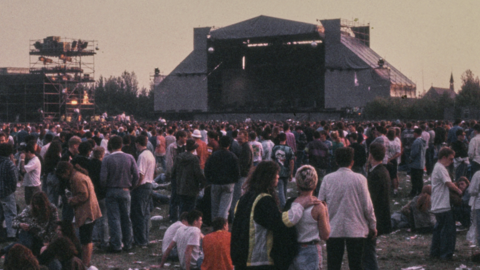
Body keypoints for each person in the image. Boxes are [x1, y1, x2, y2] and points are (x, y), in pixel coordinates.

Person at [230, 161, 319, 270]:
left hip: (241, 258)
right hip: (258, 260)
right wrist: (300, 205)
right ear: (268, 177)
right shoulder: (263, 200)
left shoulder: (244, 198)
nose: (278, 176)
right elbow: (283, 222)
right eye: (276, 174)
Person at [318, 147, 376, 270]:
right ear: (352, 162)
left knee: (333, 264)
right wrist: (372, 224)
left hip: (333, 228)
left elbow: (321, 204)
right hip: (356, 228)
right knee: (356, 265)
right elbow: (367, 206)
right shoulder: (360, 179)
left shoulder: (328, 179)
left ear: (336, 162)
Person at [56, 161, 101, 267]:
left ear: (66, 171)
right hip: (89, 209)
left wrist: (72, 200)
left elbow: (84, 194)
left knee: (86, 240)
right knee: (86, 238)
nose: (63, 178)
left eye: (62, 175)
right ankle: (86, 262)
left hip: (86, 211)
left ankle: (85, 263)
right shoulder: (79, 175)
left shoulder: (76, 178)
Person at [100, 135, 139, 252]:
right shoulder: (130, 157)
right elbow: (136, 175)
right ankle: (128, 243)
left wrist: (105, 187)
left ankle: (116, 244)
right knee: (126, 218)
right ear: (121, 145)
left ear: (110, 145)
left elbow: (103, 179)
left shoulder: (107, 159)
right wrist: (131, 186)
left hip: (111, 190)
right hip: (125, 190)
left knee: (114, 219)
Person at [288, 165, 330, 270]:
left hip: (293, 248)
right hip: (311, 249)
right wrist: (326, 213)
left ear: (297, 184)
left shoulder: (293, 204)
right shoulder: (318, 206)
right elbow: (325, 235)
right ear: (315, 185)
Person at [430, 147, 463, 260]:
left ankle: (435, 252)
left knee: (439, 229)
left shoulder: (437, 167)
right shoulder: (441, 168)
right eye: (450, 158)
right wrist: (458, 190)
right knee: (448, 231)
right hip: (442, 204)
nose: (452, 161)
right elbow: (448, 184)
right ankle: (446, 254)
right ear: (444, 157)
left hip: (438, 204)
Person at [363, 143, 392, 270]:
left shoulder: (375, 174)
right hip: (381, 214)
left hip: (376, 216)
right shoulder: (383, 170)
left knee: (368, 252)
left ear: (371, 155)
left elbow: (371, 199)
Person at [4, 192, 58, 256]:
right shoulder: (29, 209)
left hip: (41, 235)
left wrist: (47, 239)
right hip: (27, 232)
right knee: (26, 244)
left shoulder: (52, 209)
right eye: (35, 204)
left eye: (39, 205)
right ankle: (4, 250)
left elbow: (54, 226)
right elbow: (14, 221)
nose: (37, 207)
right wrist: (20, 224)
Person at [205, 136, 240, 220]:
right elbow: (237, 172)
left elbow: (207, 169)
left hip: (216, 183)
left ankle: (215, 227)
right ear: (229, 145)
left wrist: (210, 180)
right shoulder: (232, 156)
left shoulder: (214, 155)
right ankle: (222, 228)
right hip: (228, 184)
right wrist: (234, 181)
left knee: (215, 208)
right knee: (224, 209)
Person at [132, 135, 155, 247]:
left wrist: (134, 187)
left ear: (137, 143)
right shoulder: (150, 154)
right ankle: (145, 238)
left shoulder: (142, 156)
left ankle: (140, 240)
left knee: (139, 215)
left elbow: (140, 175)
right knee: (145, 214)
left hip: (142, 187)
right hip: (149, 184)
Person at [172, 139, 205, 214]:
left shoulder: (179, 157)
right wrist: (203, 183)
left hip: (180, 185)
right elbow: (198, 173)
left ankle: (182, 222)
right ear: (194, 148)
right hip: (192, 187)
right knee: (191, 207)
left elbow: (173, 171)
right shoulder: (194, 159)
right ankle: (189, 223)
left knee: (182, 207)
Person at [229, 130, 253, 220]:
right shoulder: (246, 146)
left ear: (246, 138)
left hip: (242, 176)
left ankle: (234, 217)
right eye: (238, 139)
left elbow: (244, 163)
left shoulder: (245, 147)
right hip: (244, 175)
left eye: (241, 139)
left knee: (236, 198)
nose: (239, 140)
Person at [271, 133, 294, 209]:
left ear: (279, 139)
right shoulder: (289, 149)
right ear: (286, 139)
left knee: (281, 189)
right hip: (286, 171)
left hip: (278, 171)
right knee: (284, 189)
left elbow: (273, 160)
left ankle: (283, 204)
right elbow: (291, 161)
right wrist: (291, 172)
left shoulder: (275, 148)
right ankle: (284, 205)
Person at [0, 143, 18, 241]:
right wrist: (11, 189)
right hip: (7, 192)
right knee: (11, 214)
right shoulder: (9, 164)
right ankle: (11, 234)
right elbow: (14, 179)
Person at [305, 131, 330, 195]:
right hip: (322, 165)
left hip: (312, 165)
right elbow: (328, 156)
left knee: (312, 181)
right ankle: (320, 195)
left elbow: (305, 152)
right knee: (321, 181)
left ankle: (312, 194)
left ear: (313, 137)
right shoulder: (325, 145)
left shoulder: (310, 144)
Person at [409, 128, 426, 197]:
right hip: (421, 163)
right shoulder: (422, 141)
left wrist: (410, 159)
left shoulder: (416, 141)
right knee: (419, 179)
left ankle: (414, 192)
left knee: (414, 179)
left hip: (415, 163)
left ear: (416, 133)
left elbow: (414, 152)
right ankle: (420, 191)